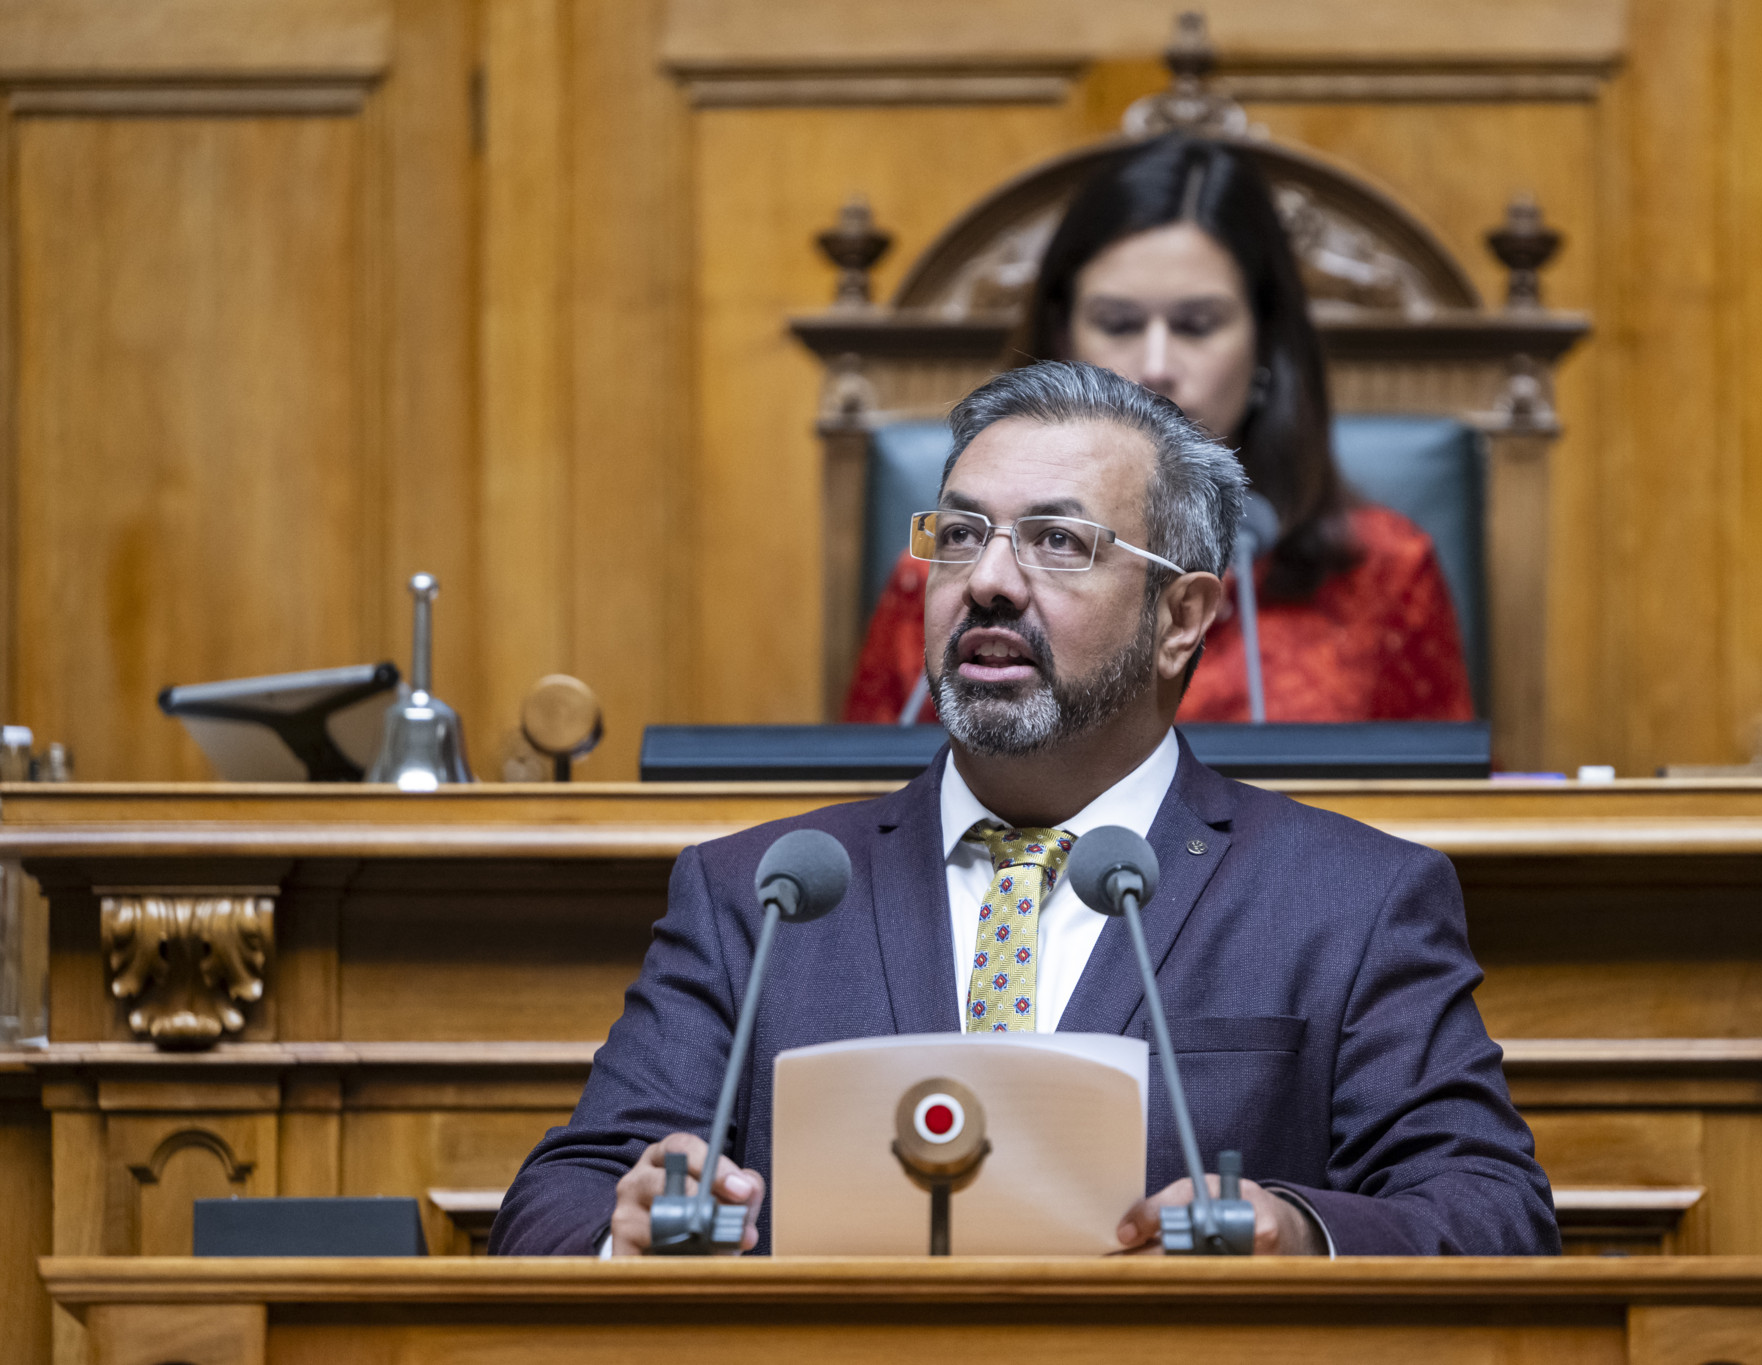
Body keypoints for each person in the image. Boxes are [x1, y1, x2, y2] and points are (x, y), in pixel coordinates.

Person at [492, 362, 1554, 1258]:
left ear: (1180, 615)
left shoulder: (1349, 899)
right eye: (958, 535)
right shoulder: (760, 894)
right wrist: (623, 1224)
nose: (987, 582)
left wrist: (1292, 1231)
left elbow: (1493, 1212)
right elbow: (555, 1203)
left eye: (1056, 542)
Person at [845, 135, 1472, 725]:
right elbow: (874, 811)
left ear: (1264, 345)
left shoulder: (1386, 572)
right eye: (1118, 323)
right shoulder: (958, 574)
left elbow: (1448, 816)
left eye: (1196, 325)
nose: (1155, 368)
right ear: (1064, 341)